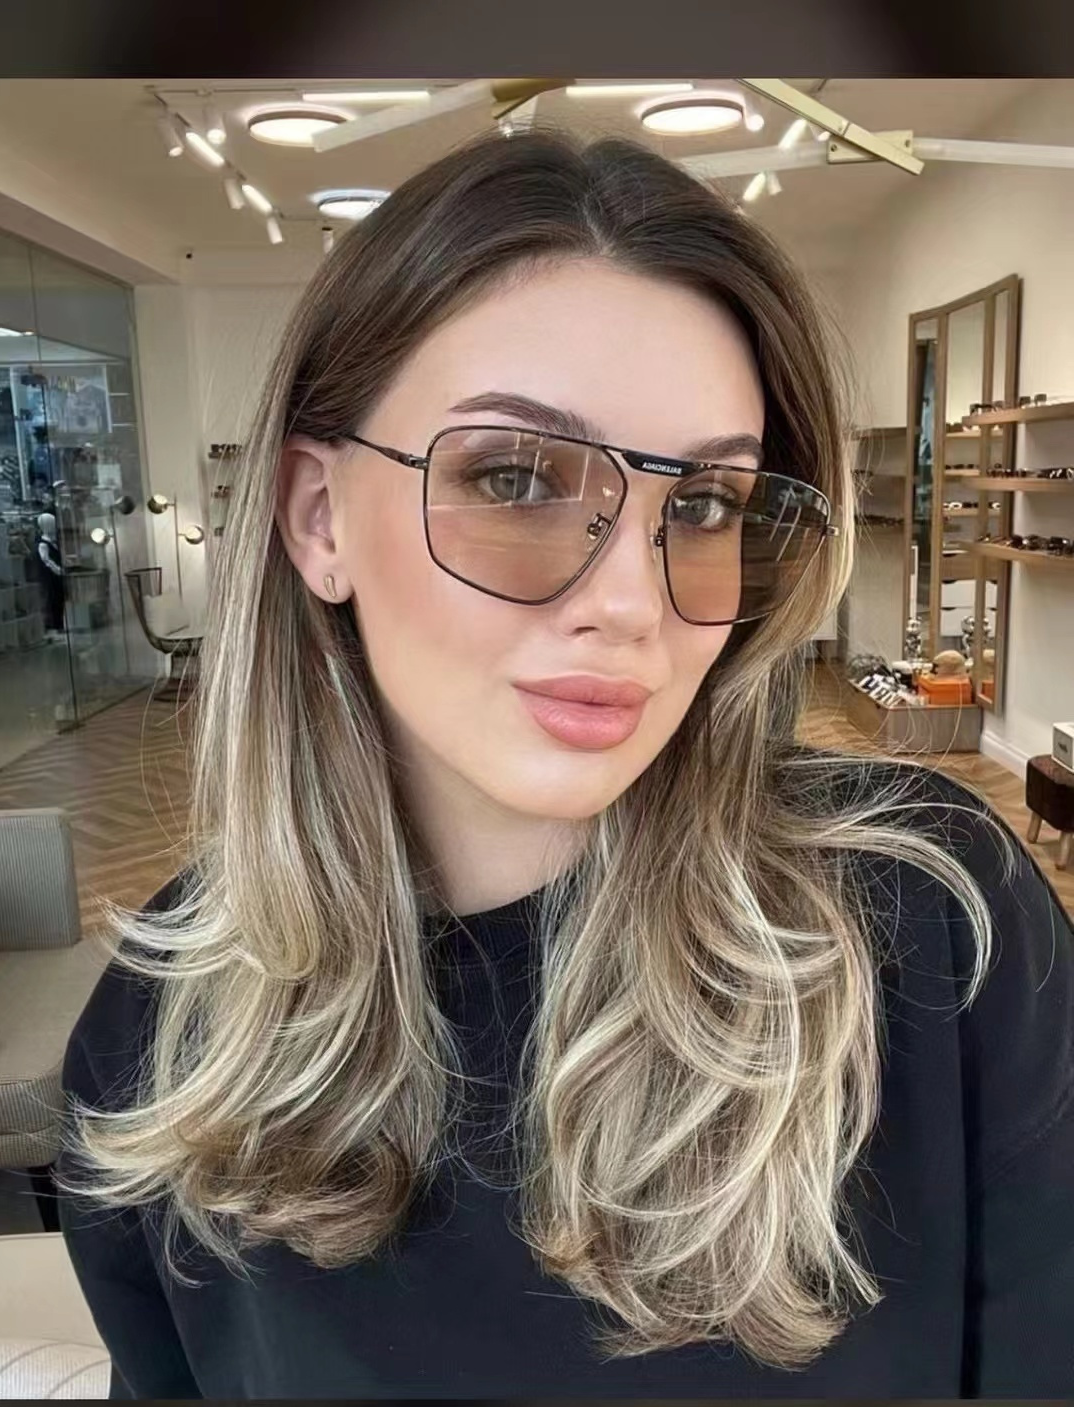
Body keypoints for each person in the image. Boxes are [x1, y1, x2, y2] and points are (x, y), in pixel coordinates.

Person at [56, 129, 1074, 1400]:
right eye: (514, 477)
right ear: (319, 519)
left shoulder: (935, 927)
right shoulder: (166, 1035)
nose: (632, 602)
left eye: (702, 505)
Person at [34, 510, 65, 635]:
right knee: (52, 600)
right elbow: (46, 560)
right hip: (50, 577)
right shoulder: (43, 544)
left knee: (59, 599)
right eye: (51, 524)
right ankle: (54, 625)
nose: (54, 526)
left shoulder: (54, 541)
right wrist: (58, 570)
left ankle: (59, 624)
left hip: (57, 576)